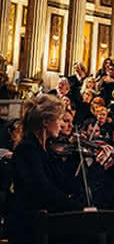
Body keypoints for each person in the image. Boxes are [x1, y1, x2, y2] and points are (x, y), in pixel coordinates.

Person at [7, 95, 84, 244]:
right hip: (30, 225)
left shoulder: (47, 150)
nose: (61, 124)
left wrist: (98, 166)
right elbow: (42, 190)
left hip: (47, 220)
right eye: (59, 119)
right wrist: (77, 209)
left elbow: (65, 183)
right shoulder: (27, 149)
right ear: (45, 121)